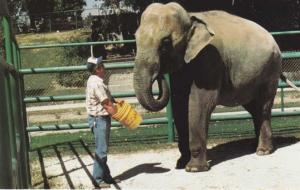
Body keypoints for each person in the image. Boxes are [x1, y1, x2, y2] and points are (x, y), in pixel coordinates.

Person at [85, 56, 119, 188]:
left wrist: (115, 102)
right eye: (101, 65)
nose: (104, 67)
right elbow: (105, 103)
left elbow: (108, 98)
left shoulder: (94, 80)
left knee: (102, 149)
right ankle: (97, 180)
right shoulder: (97, 83)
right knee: (101, 150)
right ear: (97, 69)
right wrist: (118, 115)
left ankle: (106, 175)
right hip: (99, 119)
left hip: (100, 118)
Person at [170, 63, 192, 169]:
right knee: (180, 118)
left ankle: (194, 152)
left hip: (192, 74)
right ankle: (186, 153)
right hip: (175, 73)